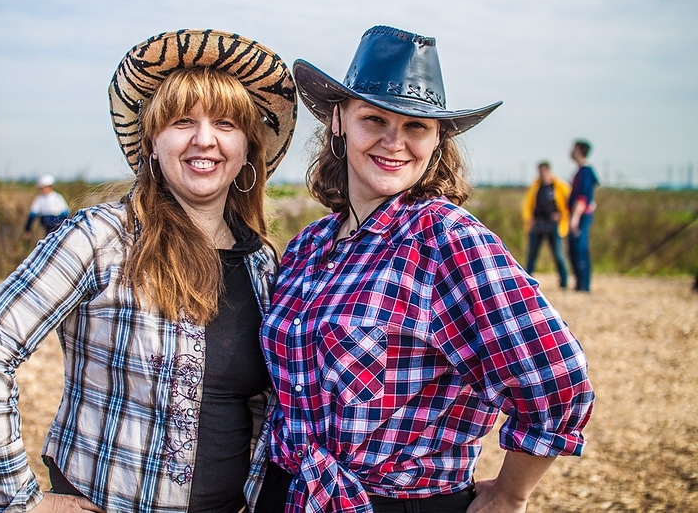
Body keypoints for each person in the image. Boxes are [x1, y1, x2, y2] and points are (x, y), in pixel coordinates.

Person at [0, 28, 297, 513]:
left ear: (246, 148)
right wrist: (20, 501)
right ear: (152, 141)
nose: (204, 139)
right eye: (181, 121)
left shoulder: (262, 263)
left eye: (225, 124)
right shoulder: (98, 238)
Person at [254, 25, 594, 513]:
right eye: (374, 119)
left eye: (416, 126)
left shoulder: (444, 240)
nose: (395, 142)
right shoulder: (309, 246)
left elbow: (557, 379)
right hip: (289, 493)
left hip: (395, 502)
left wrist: (510, 493)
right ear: (338, 120)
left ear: (437, 139)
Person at [521, 161, 571, 288]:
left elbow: (568, 204)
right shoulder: (535, 187)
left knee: (558, 254)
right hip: (537, 223)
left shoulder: (559, 186)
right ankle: (527, 282)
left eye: (544, 171)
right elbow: (527, 205)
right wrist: (529, 219)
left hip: (553, 224)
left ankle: (564, 282)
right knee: (532, 255)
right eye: (540, 172)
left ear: (549, 171)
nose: (542, 174)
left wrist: (561, 215)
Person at [567, 140, 599, 292]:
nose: (570, 151)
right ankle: (580, 284)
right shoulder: (582, 171)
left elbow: (582, 198)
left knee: (580, 249)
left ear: (579, 151)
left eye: (573, 149)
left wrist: (575, 218)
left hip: (580, 216)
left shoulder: (585, 171)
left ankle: (584, 285)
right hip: (580, 215)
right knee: (575, 249)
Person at [23, 173, 70, 240]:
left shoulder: (58, 197)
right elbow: (32, 216)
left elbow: (66, 214)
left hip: (59, 226)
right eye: (42, 188)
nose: (43, 189)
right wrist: (28, 229)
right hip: (46, 226)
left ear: (51, 186)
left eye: (45, 187)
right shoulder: (39, 199)